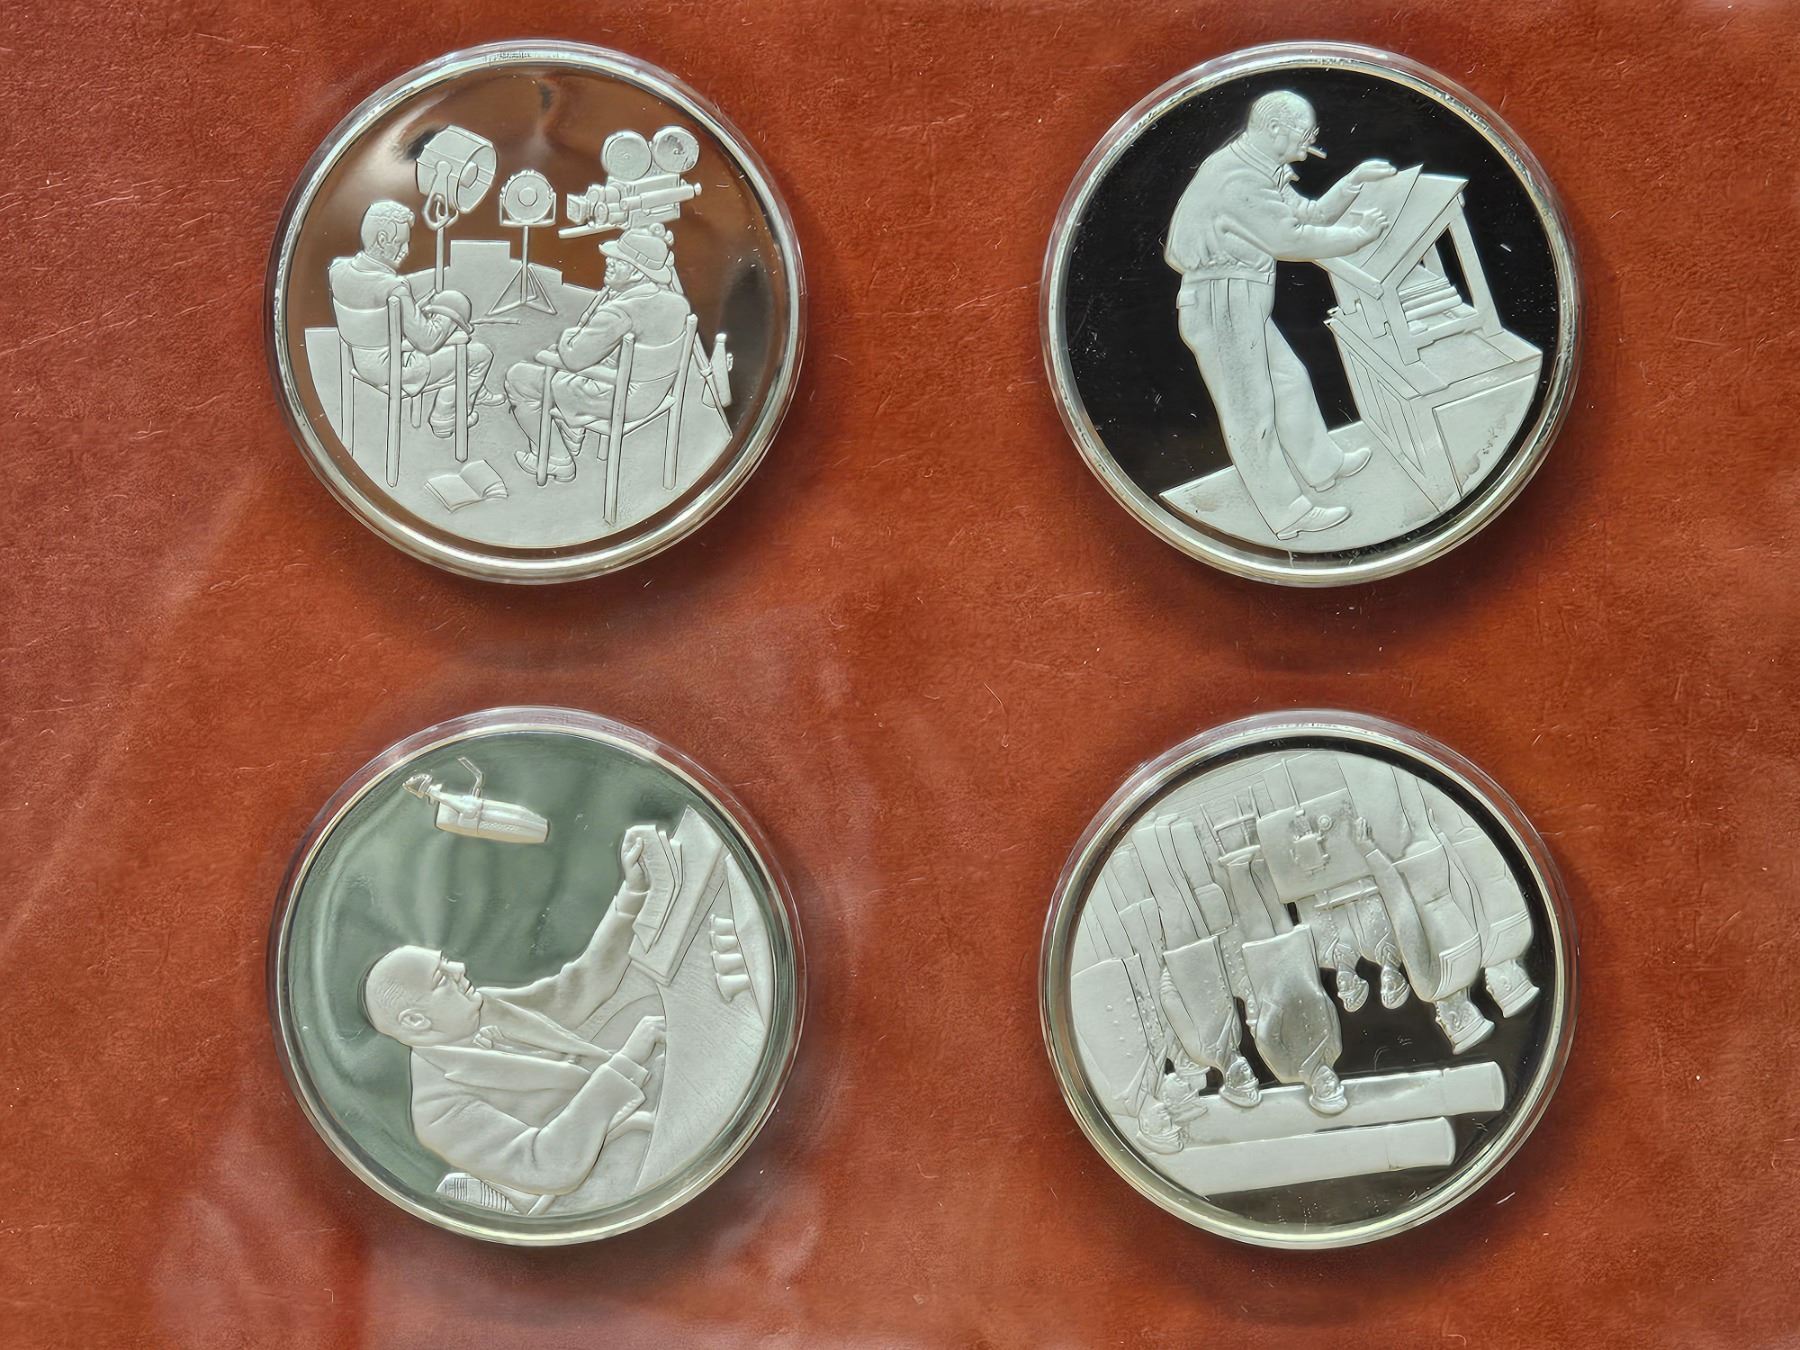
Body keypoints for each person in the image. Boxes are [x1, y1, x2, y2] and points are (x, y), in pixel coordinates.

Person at [362, 828, 669, 1210]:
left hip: (653, 1100)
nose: (460, 968)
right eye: (442, 978)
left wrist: (632, 895)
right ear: (415, 1022)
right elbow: (548, 1165)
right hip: (627, 1173)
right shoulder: (438, 1111)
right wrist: (627, 1060)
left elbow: (577, 988)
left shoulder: (483, 1007)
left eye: (447, 962)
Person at [1165, 91, 1395, 540]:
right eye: (1304, 134)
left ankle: (1323, 466)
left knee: (1289, 381)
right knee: (1251, 413)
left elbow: (1308, 213)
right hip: (1221, 305)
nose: (1310, 144)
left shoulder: (1258, 168)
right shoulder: (1237, 178)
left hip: (1237, 301)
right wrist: (1358, 236)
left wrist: (1352, 182)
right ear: (1274, 130)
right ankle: (1288, 514)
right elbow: (1290, 239)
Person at [504, 225, 693, 483]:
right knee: (561, 366)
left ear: (638, 272)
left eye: (619, 261)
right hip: (654, 393)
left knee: (520, 378)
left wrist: (567, 338)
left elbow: (574, 358)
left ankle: (556, 459)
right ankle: (571, 431)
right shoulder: (678, 303)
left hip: (620, 397)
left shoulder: (618, 312)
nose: (609, 263)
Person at [328, 201, 501, 441]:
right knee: (479, 355)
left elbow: (374, 314)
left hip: (362, 361)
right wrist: (450, 316)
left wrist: (418, 310)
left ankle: (468, 389)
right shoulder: (393, 287)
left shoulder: (337, 270)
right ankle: (446, 417)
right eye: (401, 242)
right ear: (382, 239)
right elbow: (427, 341)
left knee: (448, 330)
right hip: (396, 368)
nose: (406, 250)